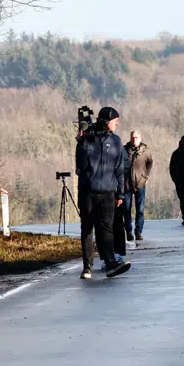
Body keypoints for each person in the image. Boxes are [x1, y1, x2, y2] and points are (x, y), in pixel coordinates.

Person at [75, 106, 131, 279]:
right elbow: (81, 166)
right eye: (115, 122)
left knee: (105, 229)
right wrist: (82, 143)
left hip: (108, 192)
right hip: (88, 191)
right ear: (107, 122)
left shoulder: (116, 141)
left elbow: (120, 169)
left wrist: (120, 193)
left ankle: (110, 264)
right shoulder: (87, 139)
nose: (117, 124)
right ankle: (87, 267)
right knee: (87, 228)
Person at [124, 130, 153, 242]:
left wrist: (145, 177)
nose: (134, 140)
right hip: (127, 184)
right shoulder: (124, 150)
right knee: (126, 209)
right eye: (132, 137)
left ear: (140, 138)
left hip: (140, 183)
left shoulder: (146, 151)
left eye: (136, 137)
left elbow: (150, 163)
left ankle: (138, 231)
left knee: (140, 209)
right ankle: (129, 232)